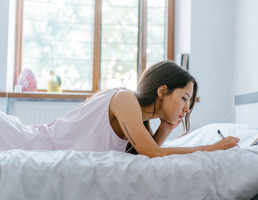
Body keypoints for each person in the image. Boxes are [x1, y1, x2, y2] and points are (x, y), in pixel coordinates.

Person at [0, 60, 239, 157]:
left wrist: (165, 127)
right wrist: (211, 147)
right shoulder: (125, 99)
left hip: (30, 143)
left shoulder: (137, 120)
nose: (187, 108)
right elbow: (153, 154)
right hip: (22, 140)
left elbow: (146, 155)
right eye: (185, 97)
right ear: (162, 91)